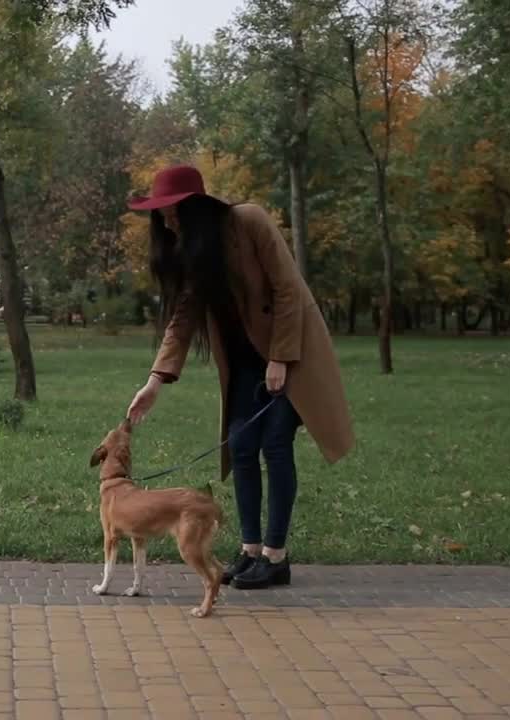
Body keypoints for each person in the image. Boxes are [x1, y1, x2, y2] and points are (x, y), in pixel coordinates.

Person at [125, 164, 353, 590]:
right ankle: (250, 551)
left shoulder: (250, 221)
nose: (166, 220)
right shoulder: (193, 252)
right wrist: (155, 381)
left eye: (172, 211)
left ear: (196, 208)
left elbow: (287, 289)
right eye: (161, 215)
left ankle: (276, 556)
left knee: (274, 444)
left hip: (293, 351)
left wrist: (281, 358)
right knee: (242, 445)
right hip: (245, 361)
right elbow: (183, 319)